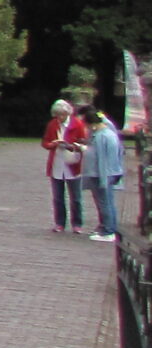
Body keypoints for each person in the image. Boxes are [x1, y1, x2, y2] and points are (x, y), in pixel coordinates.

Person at [44, 99, 89, 233]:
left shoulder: (77, 124)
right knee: (58, 197)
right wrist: (52, 145)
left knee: (75, 197)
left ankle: (77, 223)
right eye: (58, 115)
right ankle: (60, 223)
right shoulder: (52, 124)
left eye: (63, 115)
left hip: (72, 163)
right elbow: (45, 141)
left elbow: (83, 142)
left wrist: (71, 146)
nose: (60, 118)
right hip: (57, 163)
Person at [81, 106, 124, 242]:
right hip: (107, 173)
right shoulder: (107, 133)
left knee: (104, 202)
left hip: (101, 174)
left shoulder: (102, 136)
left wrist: (103, 179)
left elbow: (102, 160)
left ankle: (108, 230)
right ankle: (109, 227)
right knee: (107, 202)